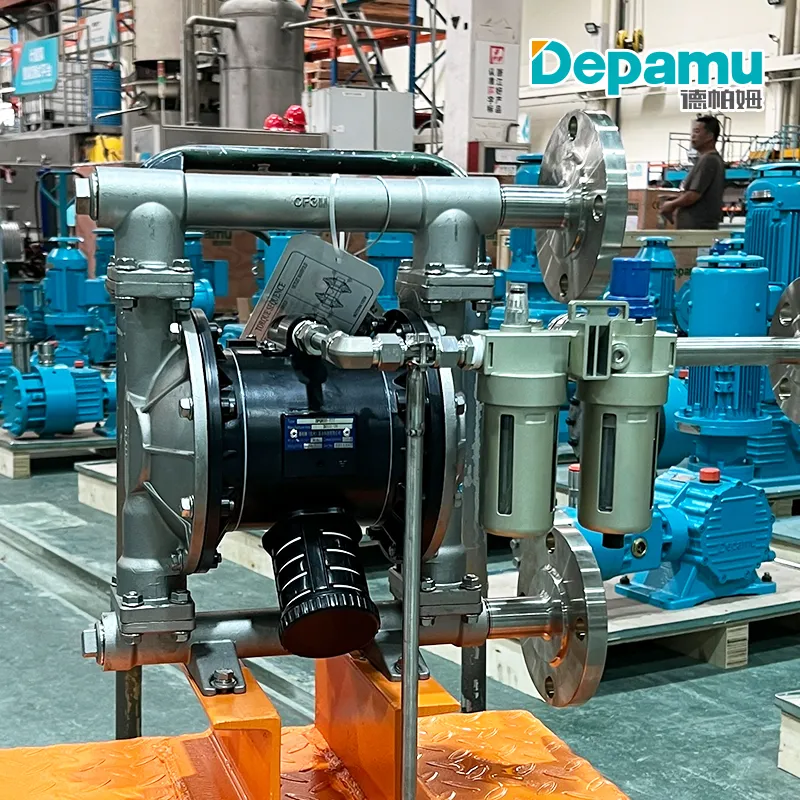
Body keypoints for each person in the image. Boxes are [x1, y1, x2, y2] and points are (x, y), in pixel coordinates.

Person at [660, 115, 726, 230]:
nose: (692, 136)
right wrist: (676, 198)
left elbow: (694, 195)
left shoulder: (708, 160)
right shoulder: (710, 159)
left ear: (709, 136)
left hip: (698, 228)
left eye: (697, 131)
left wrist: (671, 204)